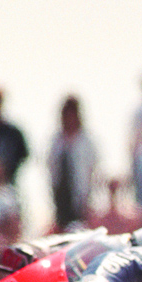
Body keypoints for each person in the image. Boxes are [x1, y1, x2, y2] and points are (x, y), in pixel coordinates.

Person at [47, 95, 99, 231]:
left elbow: (92, 170)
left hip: (81, 198)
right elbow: (51, 168)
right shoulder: (56, 141)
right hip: (61, 196)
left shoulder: (86, 141)